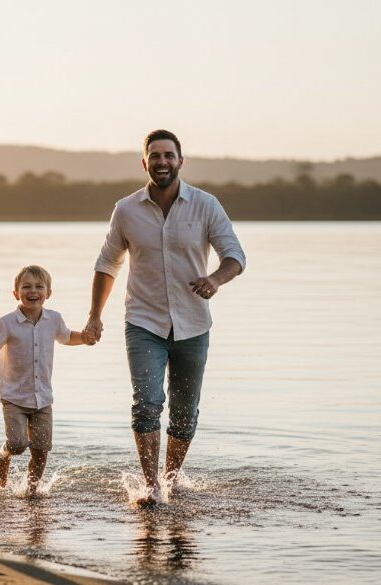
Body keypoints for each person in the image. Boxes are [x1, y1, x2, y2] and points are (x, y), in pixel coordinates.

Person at [84, 129, 246, 506]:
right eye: (154, 156)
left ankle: (171, 479)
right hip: (143, 322)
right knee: (146, 402)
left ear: (180, 161)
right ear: (145, 163)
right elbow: (107, 264)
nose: (162, 162)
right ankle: (150, 486)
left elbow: (235, 256)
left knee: (185, 411)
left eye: (168, 156)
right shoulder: (126, 210)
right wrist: (94, 316)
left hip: (193, 324)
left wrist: (215, 280)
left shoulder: (206, 205)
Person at [0, 265, 89, 496]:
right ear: (16, 293)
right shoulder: (6, 323)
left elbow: (68, 337)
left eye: (39, 286)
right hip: (14, 397)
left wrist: (86, 338)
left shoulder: (54, 319)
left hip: (43, 399)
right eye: (26, 287)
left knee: (41, 450)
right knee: (17, 444)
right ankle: (3, 455)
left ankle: (31, 491)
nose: (33, 291)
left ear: (48, 293)